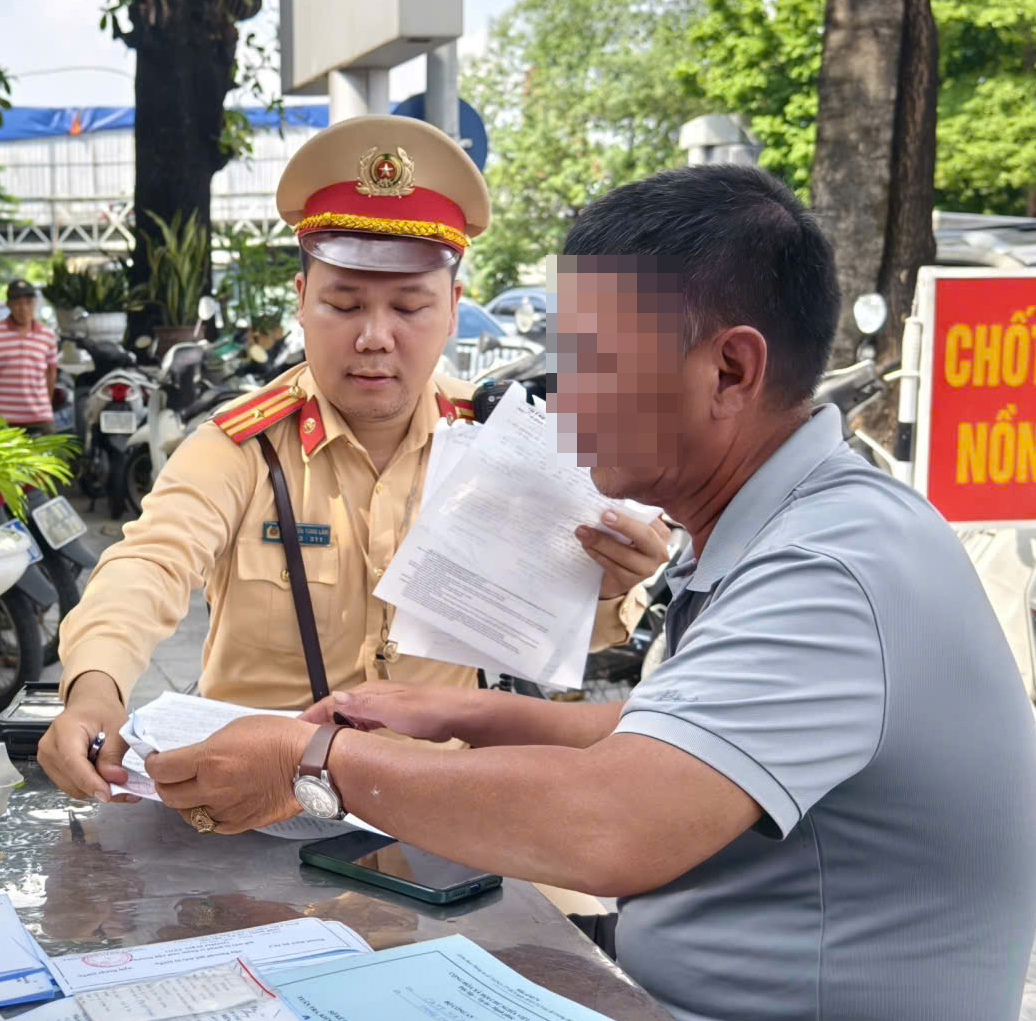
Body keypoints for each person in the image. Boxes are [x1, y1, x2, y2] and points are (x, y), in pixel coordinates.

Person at [144, 165, 1036, 1021]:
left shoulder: (833, 566)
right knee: (328, 993)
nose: (560, 399)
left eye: (593, 363)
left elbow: (617, 825)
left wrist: (315, 755)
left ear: (730, 368)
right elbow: (662, 737)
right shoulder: (778, 532)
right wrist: (451, 720)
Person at [39, 114, 666, 801]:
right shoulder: (243, 448)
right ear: (302, 302)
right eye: (343, 303)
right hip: (261, 803)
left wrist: (605, 583)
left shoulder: (500, 443)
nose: (375, 337)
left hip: (440, 800)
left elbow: (583, 632)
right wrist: (94, 688)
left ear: (454, 308)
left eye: (408, 306)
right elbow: (146, 566)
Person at [0, 278, 60, 434]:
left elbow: (51, 373)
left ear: (34, 304)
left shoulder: (47, 335)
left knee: (54, 457)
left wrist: (46, 403)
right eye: (18, 303)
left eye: (28, 302)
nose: (23, 308)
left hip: (39, 417)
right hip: (0, 419)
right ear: (9, 305)